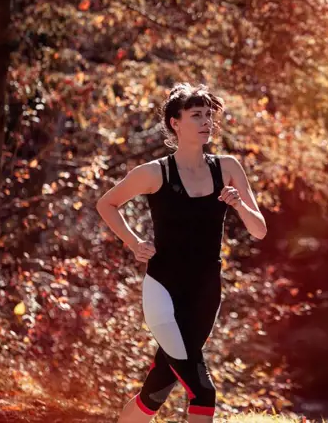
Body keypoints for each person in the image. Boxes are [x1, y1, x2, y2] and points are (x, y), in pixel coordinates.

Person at [96, 83, 267, 423]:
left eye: (209, 115)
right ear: (175, 123)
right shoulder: (154, 172)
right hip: (163, 290)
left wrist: (239, 205)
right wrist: (134, 243)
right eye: (196, 116)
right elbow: (107, 204)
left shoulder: (227, 168)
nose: (206, 122)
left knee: (157, 388)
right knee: (203, 391)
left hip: (206, 292)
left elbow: (259, 229)